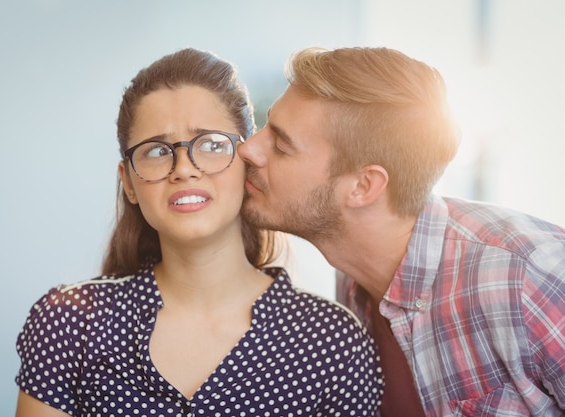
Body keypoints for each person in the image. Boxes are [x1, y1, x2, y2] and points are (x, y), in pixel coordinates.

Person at [13, 48, 383, 417]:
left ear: (247, 160)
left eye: (210, 145)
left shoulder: (334, 343)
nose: (184, 169)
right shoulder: (68, 325)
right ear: (129, 183)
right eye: (156, 151)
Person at [237, 46, 565, 417]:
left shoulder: (530, 275)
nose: (248, 149)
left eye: (281, 146)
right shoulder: (353, 280)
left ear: (363, 187)